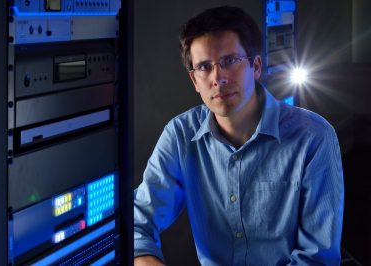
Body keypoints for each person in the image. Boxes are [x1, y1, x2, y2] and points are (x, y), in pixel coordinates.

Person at [134, 6, 344, 266]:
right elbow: (137, 222)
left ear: (256, 66)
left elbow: (317, 259)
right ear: (194, 81)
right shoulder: (179, 135)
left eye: (230, 61)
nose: (217, 78)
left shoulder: (314, 137)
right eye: (204, 67)